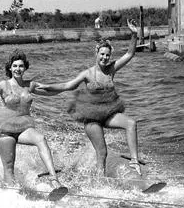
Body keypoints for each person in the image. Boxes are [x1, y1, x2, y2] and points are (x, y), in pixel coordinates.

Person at [35, 38, 143, 175]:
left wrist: (133, 34)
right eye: (102, 54)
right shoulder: (87, 74)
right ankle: (100, 181)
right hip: (92, 118)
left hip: (109, 113)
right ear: (96, 53)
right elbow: (67, 86)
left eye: (107, 55)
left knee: (131, 123)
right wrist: (47, 86)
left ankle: (134, 161)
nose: (105, 58)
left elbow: (129, 54)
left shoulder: (111, 69)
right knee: (102, 152)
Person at [0, 50, 64, 189]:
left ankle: (54, 179)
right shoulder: (3, 85)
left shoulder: (29, 85)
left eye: (21, 66)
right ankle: (10, 195)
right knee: (9, 166)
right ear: (10, 68)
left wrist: (69, 86)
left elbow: (50, 91)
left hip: (23, 126)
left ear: (25, 68)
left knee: (40, 139)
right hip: (3, 127)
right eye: (15, 66)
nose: (18, 69)